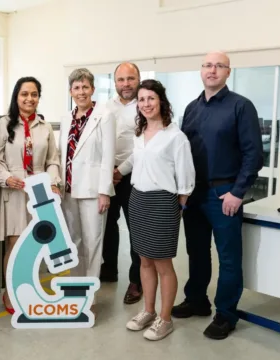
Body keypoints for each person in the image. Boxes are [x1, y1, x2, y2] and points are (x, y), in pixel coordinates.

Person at [172, 51, 264, 340]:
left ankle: (226, 314)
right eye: (208, 65)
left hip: (225, 194)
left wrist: (238, 193)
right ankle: (197, 299)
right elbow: (183, 153)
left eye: (219, 66)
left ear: (228, 72)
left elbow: (253, 155)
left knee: (228, 257)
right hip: (194, 195)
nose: (212, 70)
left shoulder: (241, 106)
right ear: (201, 71)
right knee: (196, 253)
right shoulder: (191, 108)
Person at [118, 79, 195, 341]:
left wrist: (178, 207)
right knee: (144, 260)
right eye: (141, 99)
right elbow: (136, 161)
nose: (146, 104)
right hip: (137, 199)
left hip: (163, 202)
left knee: (163, 264)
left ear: (161, 100)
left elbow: (186, 178)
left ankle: (165, 319)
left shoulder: (176, 137)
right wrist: (117, 172)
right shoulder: (139, 134)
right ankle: (148, 311)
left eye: (151, 98)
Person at [0, 76, 61, 314]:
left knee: (35, 245)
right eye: (24, 94)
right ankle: (10, 294)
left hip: (39, 191)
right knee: (14, 243)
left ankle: (28, 288)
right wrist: (5, 177)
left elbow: (53, 160)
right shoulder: (4, 124)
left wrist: (53, 182)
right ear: (16, 96)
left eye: (34, 94)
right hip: (14, 189)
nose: (29, 98)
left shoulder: (45, 126)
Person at [59, 68, 115, 297]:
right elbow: (63, 154)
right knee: (74, 242)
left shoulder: (105, 115)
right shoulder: (66, 118)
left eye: (85, 87)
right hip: (69, 190)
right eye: (76, 87)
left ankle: (89, 293)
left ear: (92, 89)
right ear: (70, 91)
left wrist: (105, 192)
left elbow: (108, 156)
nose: (81, 92)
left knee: (93, 242)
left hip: (93, 191)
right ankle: (75, 288)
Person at [101, 62, 144, 305]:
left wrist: (121, 170)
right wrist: (109, 171)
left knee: (136, 229)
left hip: (135, 176)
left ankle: (136, 280)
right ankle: (109, 269)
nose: (126, 84)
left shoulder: (146, 104)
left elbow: (145, 144)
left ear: (138, 79)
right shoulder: (106, 106)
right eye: (121, 79)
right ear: (114, 82)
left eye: (130, 78)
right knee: (107, 224)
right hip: (108, 174)